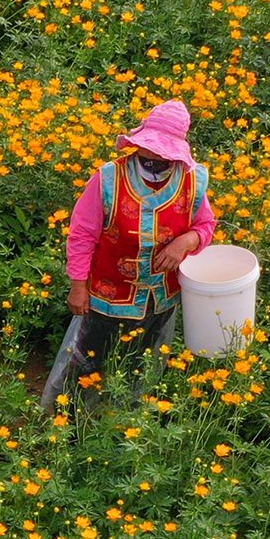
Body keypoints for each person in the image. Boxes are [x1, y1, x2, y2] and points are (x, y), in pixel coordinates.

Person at [45, 100, 216, 406]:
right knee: (89, 360)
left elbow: (205, 225)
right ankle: (68, 419)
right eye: (149, 149)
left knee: (140, 361)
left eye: (164, 153)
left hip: (160, 298)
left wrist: (186, 242)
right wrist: (78, 286)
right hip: (108, 295)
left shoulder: (192, 180)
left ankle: (122, 418)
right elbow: (83, 234)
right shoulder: (109, 179)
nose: (155, 157)